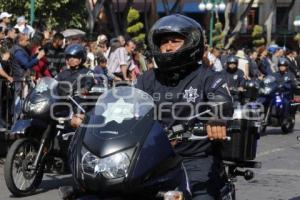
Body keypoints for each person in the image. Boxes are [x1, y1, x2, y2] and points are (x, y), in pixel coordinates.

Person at [136, 14, 233, 199]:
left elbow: (221, 100)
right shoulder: (146, 79)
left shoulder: (208, 77)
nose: (168, 46)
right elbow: (127, 105)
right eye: (164, 41)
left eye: (175, 41)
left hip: (194, 158)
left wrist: (216, 118)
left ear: (191, 44)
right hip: (150, 158)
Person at [55, 44, 94, 128]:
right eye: (69, 57)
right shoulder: (63, 73)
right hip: (61, 103)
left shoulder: (87, 72)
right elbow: (54, 83)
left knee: (77, 122)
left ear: (80, 59)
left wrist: (85, 89)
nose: (71, 59)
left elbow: (89, 82)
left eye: (74, 57)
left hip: (77, 104)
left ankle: (77, 138)